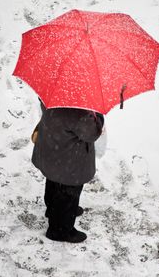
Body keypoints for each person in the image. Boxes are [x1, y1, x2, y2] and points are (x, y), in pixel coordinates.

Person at [31, 99, 104, 243]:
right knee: (69, 192)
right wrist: (98, 116)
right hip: (71, 162)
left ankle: (53, 209)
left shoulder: (53, 96)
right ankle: (60, 230)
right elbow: (92, 133)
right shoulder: (78, 112)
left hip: (54, 150)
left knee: (53, 181)